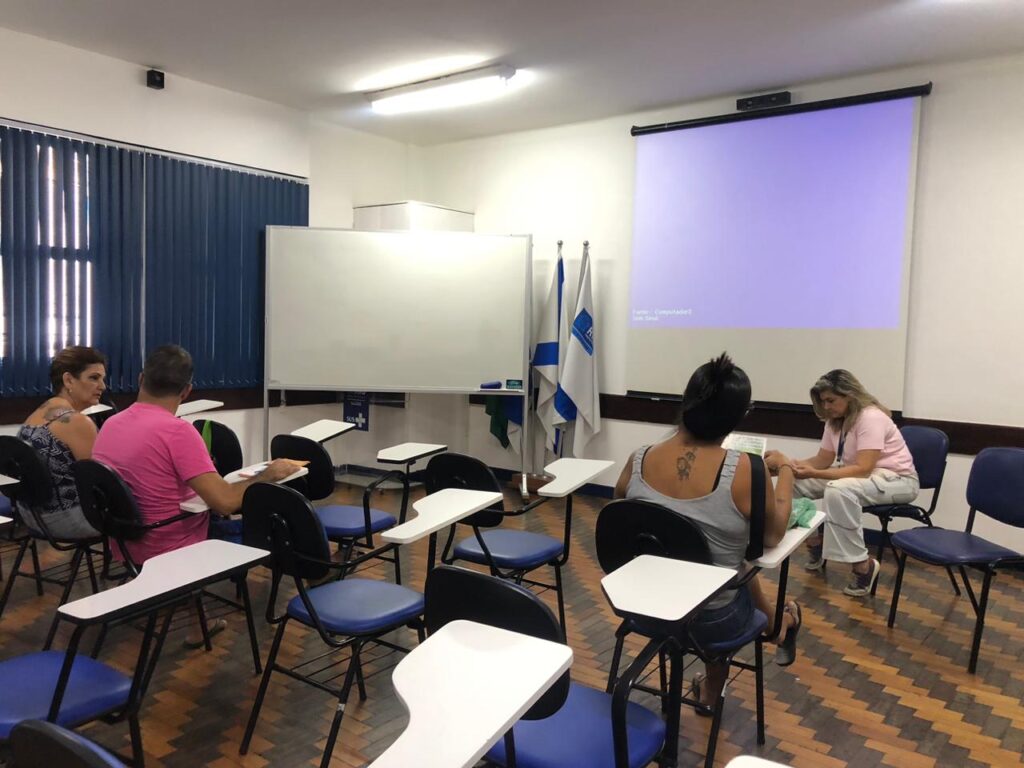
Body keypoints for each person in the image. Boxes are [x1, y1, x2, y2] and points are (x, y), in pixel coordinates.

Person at [614, 353, 801, 714]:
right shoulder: (747, 469)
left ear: (685, 402)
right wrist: (788, 470)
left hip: (641, 607)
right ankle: (715, 689)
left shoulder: (639, 459)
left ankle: (776, 625)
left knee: (730, 563)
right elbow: (773, 536)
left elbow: (620, 516)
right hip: (710, 623)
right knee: (734, 568)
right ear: (739, 417)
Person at [92, 344, 297, 645]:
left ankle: (197, 624)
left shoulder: (111, 424)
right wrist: (268, 475)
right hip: (169, 546)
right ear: (187, 390)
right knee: (278, 527)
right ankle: (303, 600)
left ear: (140, 379)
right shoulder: (178, 432)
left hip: (124, 541)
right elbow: (226, 502)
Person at [769, 369, 918, 597]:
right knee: (792, 482)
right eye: (823, 401)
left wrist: (814, 473)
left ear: (850, 395)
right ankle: (814, 542)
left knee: (838, 490)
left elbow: (863, 468)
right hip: (862, 476)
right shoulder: (835, 421)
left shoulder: (871, 417)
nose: (826, 406)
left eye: (831, 400)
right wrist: (788, 467)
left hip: (898, 480)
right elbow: (823, 460)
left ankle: (863, 567)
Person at [17, 346, 108, 540]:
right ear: (68, 380)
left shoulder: (37, 414)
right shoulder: (78, 422)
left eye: (102, 379)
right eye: (94, 378)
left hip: (31, 516)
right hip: (66, 521)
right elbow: (101, 482)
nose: (103, 386)